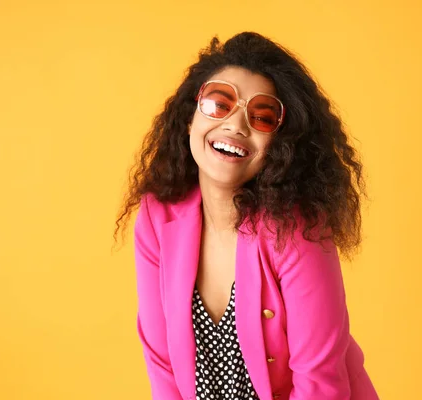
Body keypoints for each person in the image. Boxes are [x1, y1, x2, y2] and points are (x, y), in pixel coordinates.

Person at [114, 31, 379, 400]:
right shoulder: (158, 216)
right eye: (219, 104)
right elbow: (162, 364)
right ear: (190, 118)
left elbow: (319, 384)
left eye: (262, 117)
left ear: (281, 146)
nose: (236, 126)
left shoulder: (297, 229)